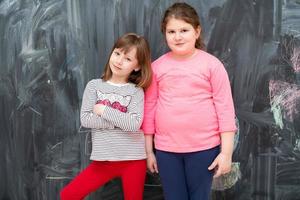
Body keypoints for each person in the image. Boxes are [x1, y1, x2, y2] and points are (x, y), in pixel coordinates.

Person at [142, 3, 237, 200]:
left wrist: (226, 153)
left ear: (197, 31)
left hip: (204, 149)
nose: (177, 36)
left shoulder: (212, 65)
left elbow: (225, 110)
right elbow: (149, 109)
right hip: (166, 150)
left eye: (184, 30)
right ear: (165, 34)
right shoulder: (157, 68)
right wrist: (149, 151)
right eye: (171, 31)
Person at [60, 33, 152, 200]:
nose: (119, 61)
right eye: (117, 53)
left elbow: (134, 124)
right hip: (103, 161)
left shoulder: (135, 91)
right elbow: (86, 119)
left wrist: (104, 110)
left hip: (133, 160)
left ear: (137, 66)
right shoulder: (94, 86)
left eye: (127, 59)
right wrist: (119, 121)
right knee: (68, 195)